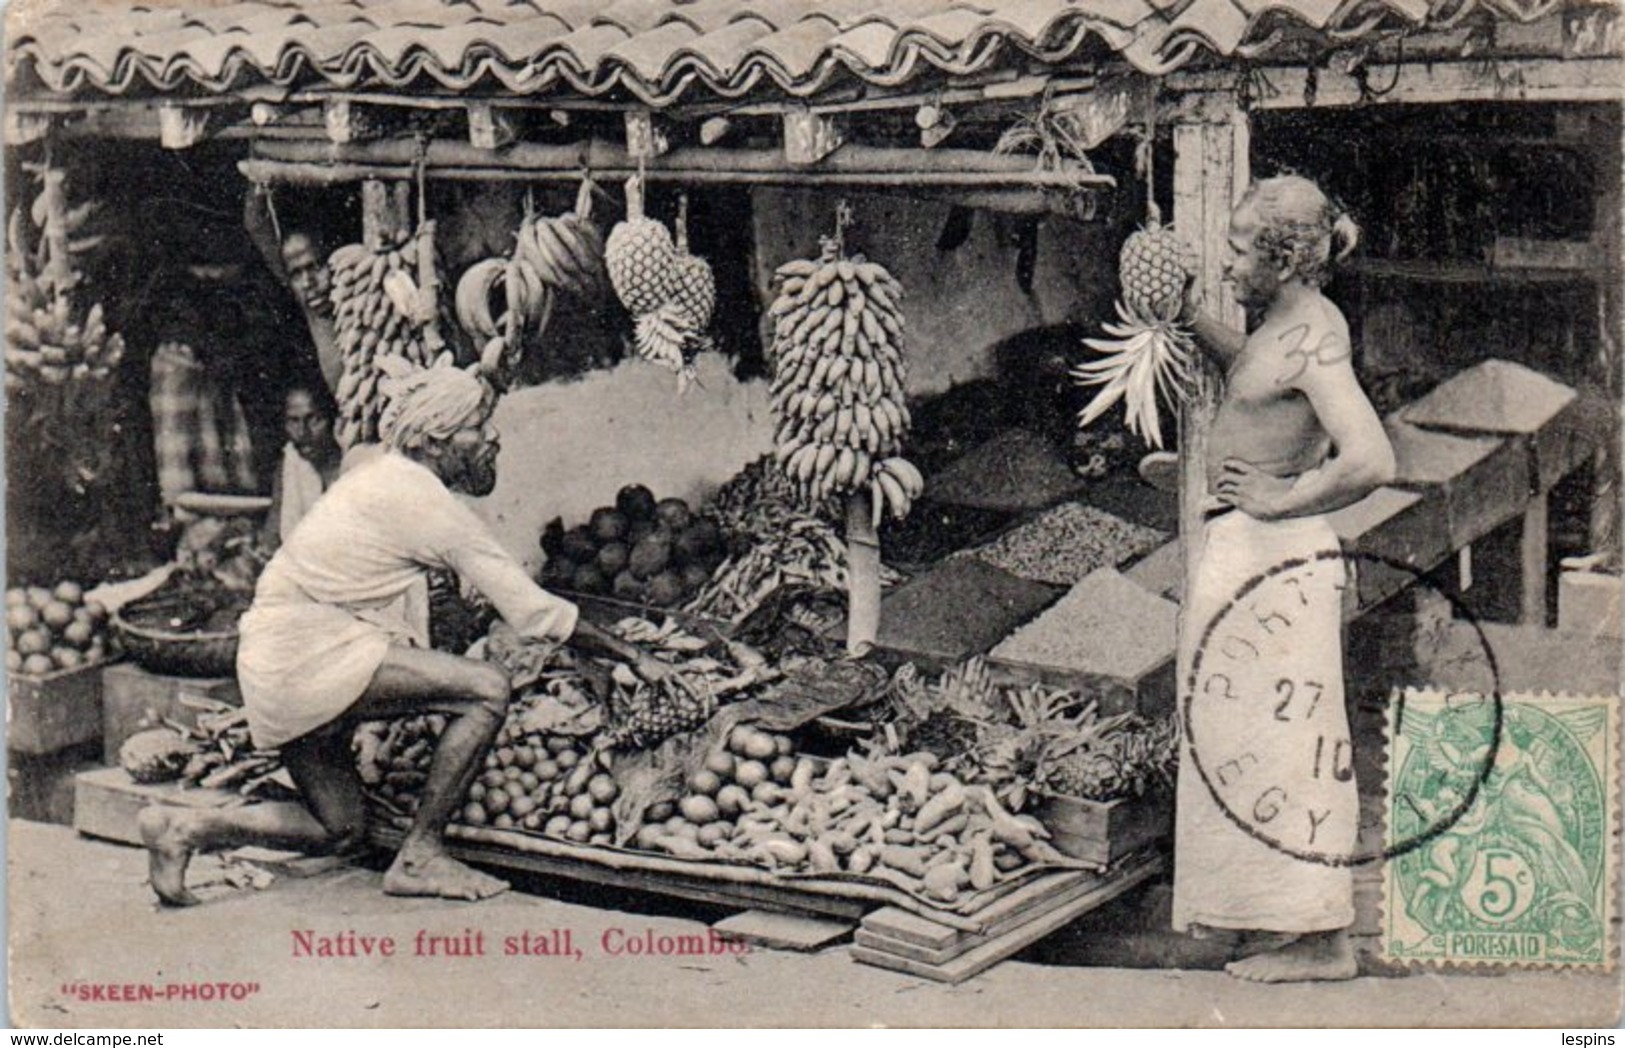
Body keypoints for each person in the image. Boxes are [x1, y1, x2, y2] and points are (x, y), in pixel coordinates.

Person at [139, 363, 674, 905]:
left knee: (341, 828)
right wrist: (633, 656)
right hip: (305, 655)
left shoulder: (382, 472)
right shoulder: (425, 503)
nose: (491, 440)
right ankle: (420, 854)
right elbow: (531, 610)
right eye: (476, 427)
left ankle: (185, 829)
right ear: (434, 441)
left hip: (283, 656)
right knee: (486, 689)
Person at [1172, 175, 1396, 982]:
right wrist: (1189, 318)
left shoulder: (1317, 335)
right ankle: (1268, 916)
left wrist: (1277, 496)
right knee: (1241, 740)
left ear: (1284, 259)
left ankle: (1321, 940)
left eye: (1237, 250)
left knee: (1287, 748)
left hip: (1277, 557)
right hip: (1247, 552)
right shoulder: (1281, 324)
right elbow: (1259, 378)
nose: (1226, 264)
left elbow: (1370, 457)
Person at [244, 187, 341, 393]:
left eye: (315, 267)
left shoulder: (358, 304)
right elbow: (255, 223)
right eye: (296, 274)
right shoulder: (307, 310)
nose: (307, 283)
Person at [262, 383, 344, 552]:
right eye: (293, 421)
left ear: (333, 421)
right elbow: (272, 537)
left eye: (314, 420)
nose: (303, 432)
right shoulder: (290, 463)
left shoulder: (352, 466)